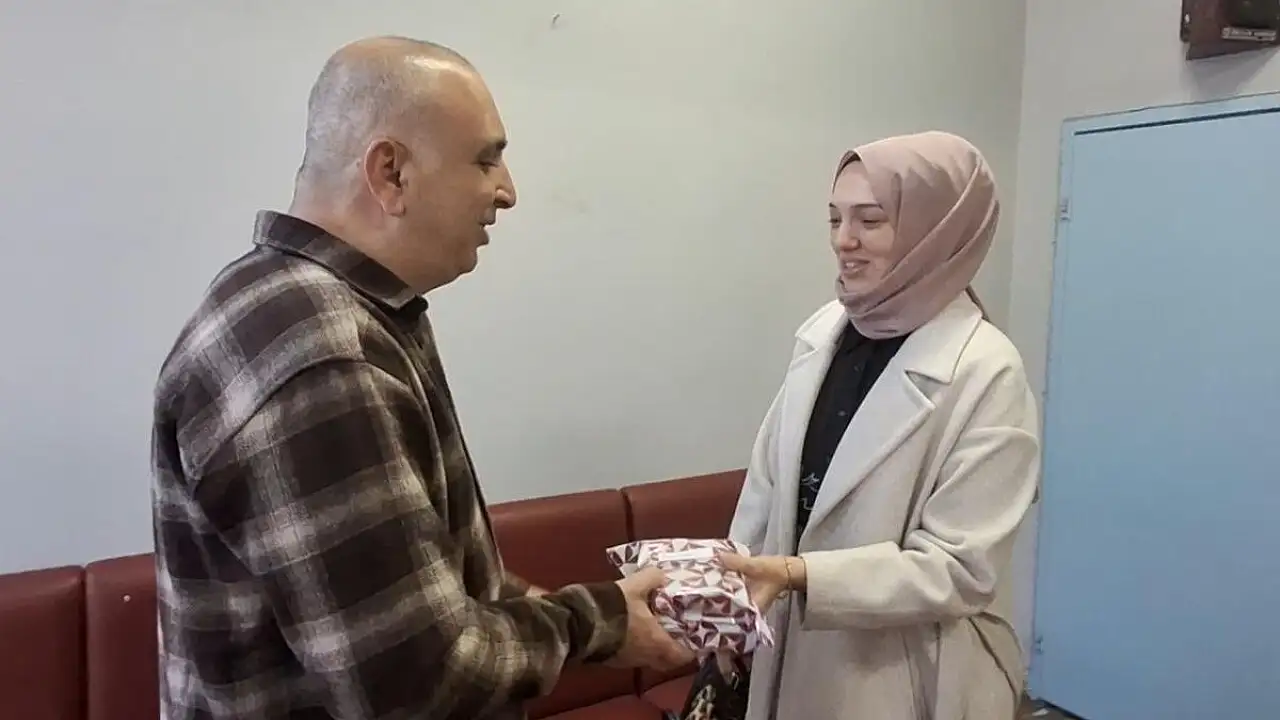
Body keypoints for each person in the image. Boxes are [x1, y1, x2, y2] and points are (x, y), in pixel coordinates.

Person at [150, 36, 691, 720]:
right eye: (486, 159)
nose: (508, 191)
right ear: (392, 172)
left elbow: (435, 594)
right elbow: (415, 679)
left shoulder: (309, 304)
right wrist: (599, 624)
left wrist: (599, 618)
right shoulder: (322, 356)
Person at [717, 131, 1040, 720]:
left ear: (935, 231)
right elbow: (766, 488)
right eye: (835, 218)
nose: (844, 240)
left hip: (899, 673)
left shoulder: (986, 370)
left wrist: (800, 575)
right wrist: (729, 597)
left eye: (870, 220)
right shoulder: (826, 330)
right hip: (787, 651)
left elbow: (961, 569)